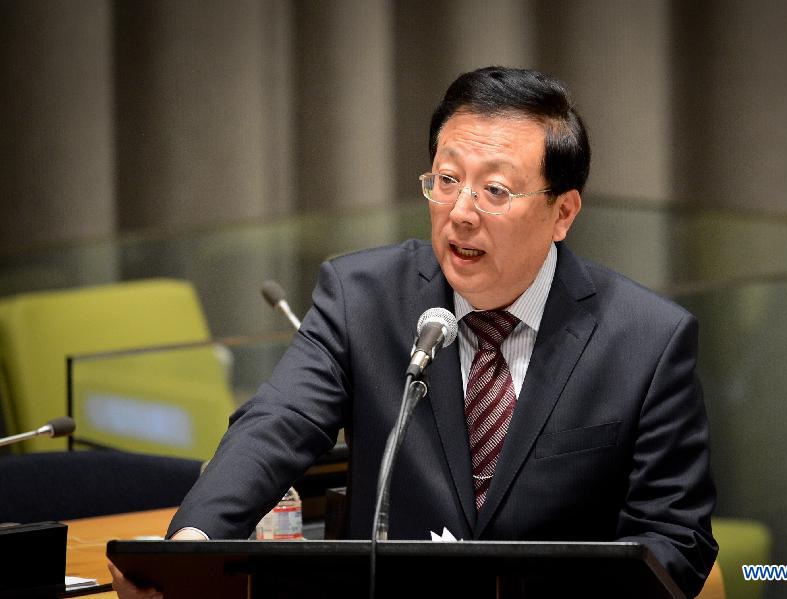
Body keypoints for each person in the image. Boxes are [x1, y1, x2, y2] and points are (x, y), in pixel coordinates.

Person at [111, 66, 717, 597]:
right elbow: (276, 425)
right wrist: (190, 545)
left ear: (563, 212)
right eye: (447, 180)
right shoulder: (363, 298)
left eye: (495, 190)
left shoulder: (647, 340)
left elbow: (674, 538)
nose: (461, 212)